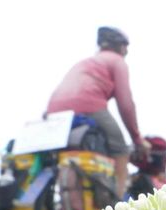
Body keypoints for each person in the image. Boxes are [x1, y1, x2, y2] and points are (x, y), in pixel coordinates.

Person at [46, 26, 149, 198]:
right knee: (121, 150)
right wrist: (137, 139)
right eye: (125, 46)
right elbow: (126, 103)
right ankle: (119, 206)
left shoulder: (87, 62)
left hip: (53, 111)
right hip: (88, 106)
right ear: (119, 46)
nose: (126, 51)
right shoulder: (117, 61)